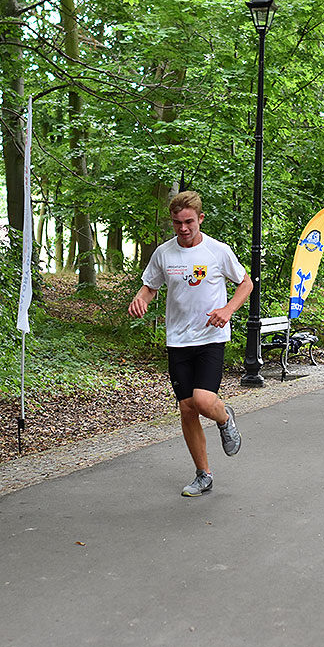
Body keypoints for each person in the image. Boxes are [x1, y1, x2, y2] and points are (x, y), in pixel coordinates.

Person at [128, 191, 254, 497]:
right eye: (177, 222)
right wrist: (141, 299)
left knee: (203, 401)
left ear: (200, 219)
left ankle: (224, 417)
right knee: (187, 409)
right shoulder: (164, 253)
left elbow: (246, 283)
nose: (183, 228)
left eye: (188, 222)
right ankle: (203, 475)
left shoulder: (217, 251)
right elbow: (150, 287)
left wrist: (227, 310)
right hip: (178, 340)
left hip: (210, 337)